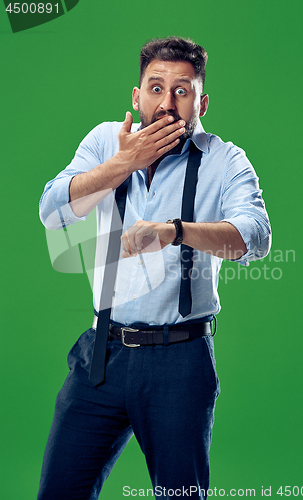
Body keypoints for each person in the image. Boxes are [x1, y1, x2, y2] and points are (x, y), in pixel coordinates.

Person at [38, 37, 271, 500]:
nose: (167, 104)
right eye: (156, 88)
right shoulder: (106, 141)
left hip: (180, 361)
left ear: (201, 103)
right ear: (137, 96)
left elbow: (255, 237)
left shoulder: (225, 160)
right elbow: (53, 210)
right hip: (101, 356)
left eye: (181, 91)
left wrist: (175, 231)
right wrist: (124, 163)